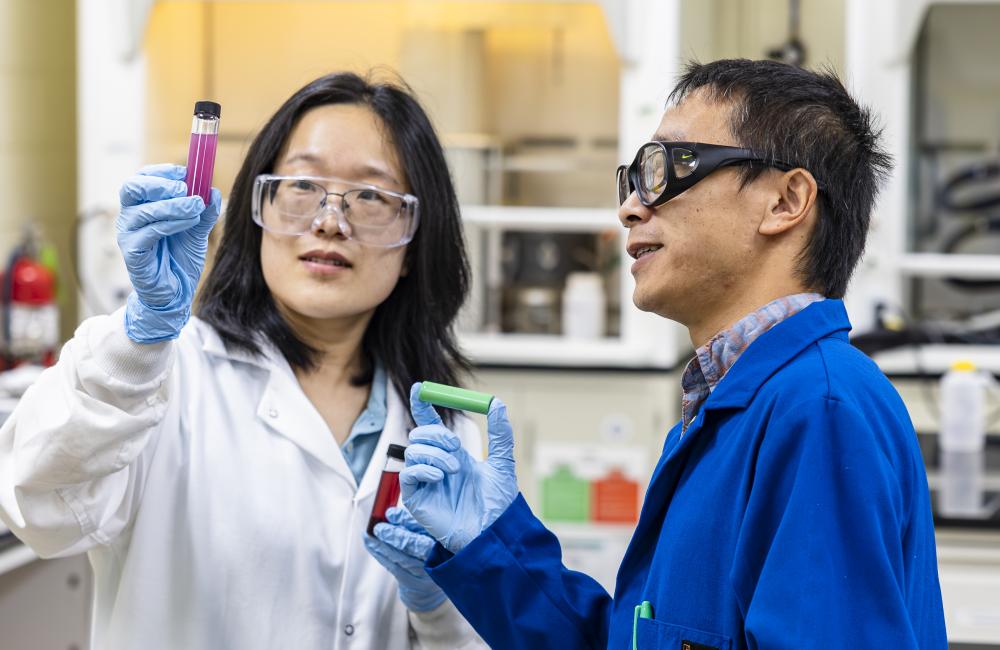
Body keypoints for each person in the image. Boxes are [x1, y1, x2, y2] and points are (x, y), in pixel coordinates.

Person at [372, 59, 949, 648]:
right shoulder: (736, 408)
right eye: (633, 180)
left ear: (785, 201)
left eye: (669, 168)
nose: (629, 209)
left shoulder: (818, 410)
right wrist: (491, 543)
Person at [0, 72, 486, 649]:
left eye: (371, 196)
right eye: (302, 185)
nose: (331, 221)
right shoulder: (162, 375)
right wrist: (139, 341)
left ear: (414, 243)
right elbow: (38, 506)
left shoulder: (444, 431)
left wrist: (438, 606)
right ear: (258, 209)